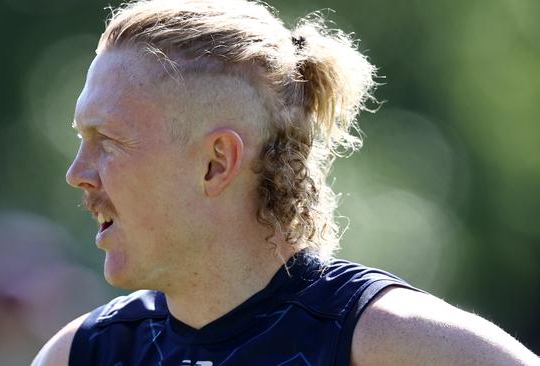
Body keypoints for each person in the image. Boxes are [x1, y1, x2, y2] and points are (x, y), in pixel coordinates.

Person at [32, 0, 539, 365]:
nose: (78, 173)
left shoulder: (392, 343)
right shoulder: (84, 353)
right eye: (81, 138)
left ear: (216, 163)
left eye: (109, 141)